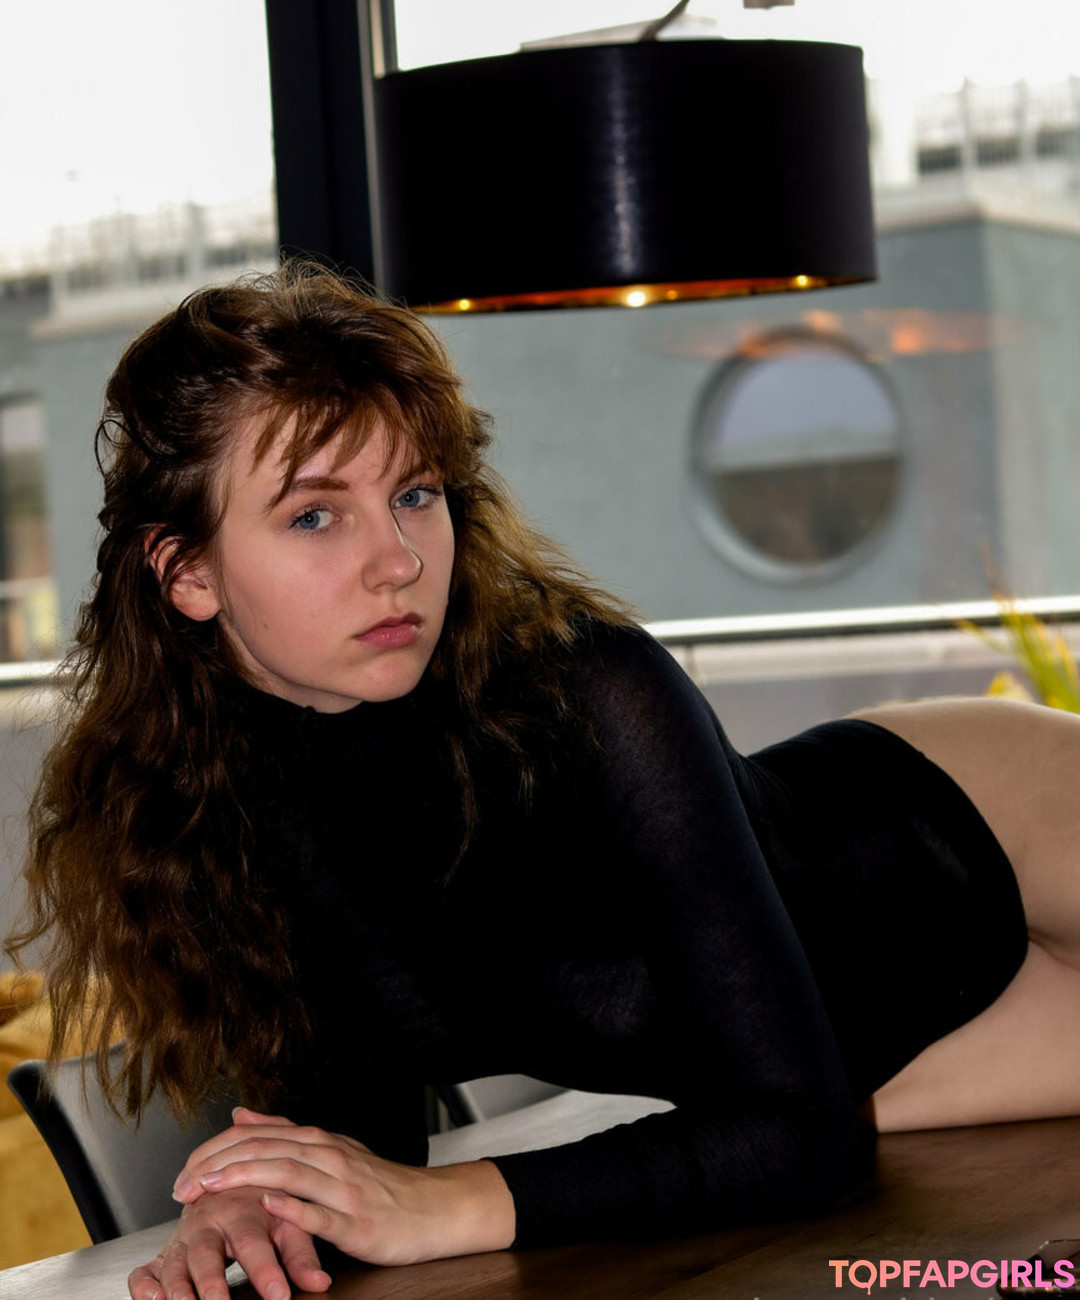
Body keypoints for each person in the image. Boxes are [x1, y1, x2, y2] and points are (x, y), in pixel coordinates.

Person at [9, 263, 1080, 1300]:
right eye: (315, 516)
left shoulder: (587, 692)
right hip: (879, 1068)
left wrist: (454, 1203)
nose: (399, 561)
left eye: (415, 494)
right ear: (187, 573)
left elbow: (799, 1137)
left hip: (988, 830)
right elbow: (369, 1144)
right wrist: (272, 1197)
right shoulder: (208, 816)